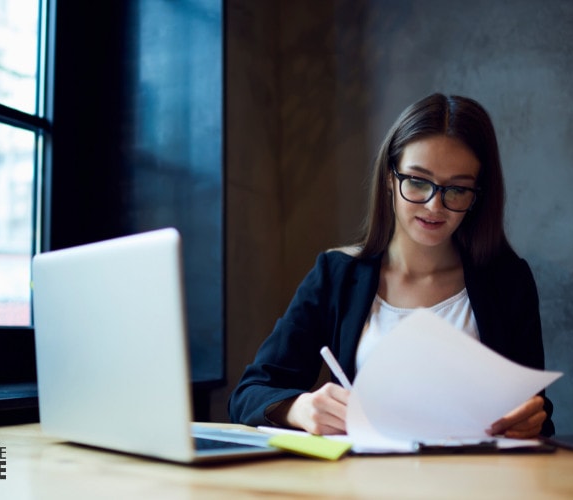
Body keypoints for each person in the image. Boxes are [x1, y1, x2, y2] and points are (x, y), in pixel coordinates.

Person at [228, 93, 555, 439]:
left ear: (478, 196)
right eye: (417, 181)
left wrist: (532, 419)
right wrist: (302, 408)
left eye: (457, 190)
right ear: (389, 176)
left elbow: (538, 414)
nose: (433, 206)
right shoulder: (336, 275)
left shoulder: (507, 281)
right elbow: (249, 393)